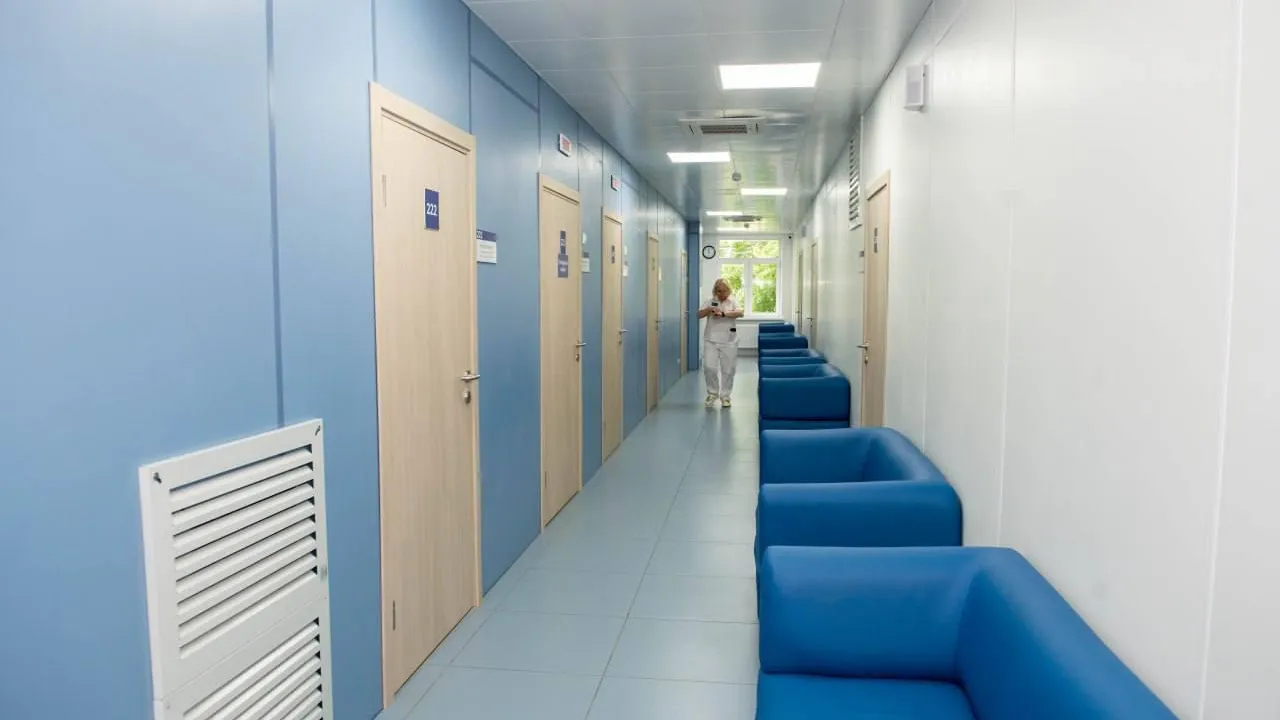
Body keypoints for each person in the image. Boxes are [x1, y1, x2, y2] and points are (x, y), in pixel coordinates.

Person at [698, 278, 744, 408]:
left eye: (724, 291)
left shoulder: (733, 301)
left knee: (728, 369)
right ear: (715, 291)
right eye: (719, 291)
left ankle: (725, 396)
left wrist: (723, 314)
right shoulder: (710, 301)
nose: (722, 294)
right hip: (711, 339)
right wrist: (709, 310)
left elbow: (740, 313)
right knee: (709, 367)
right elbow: (699, 314)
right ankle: (712, 393)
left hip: (729, 340)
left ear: (729, 290)